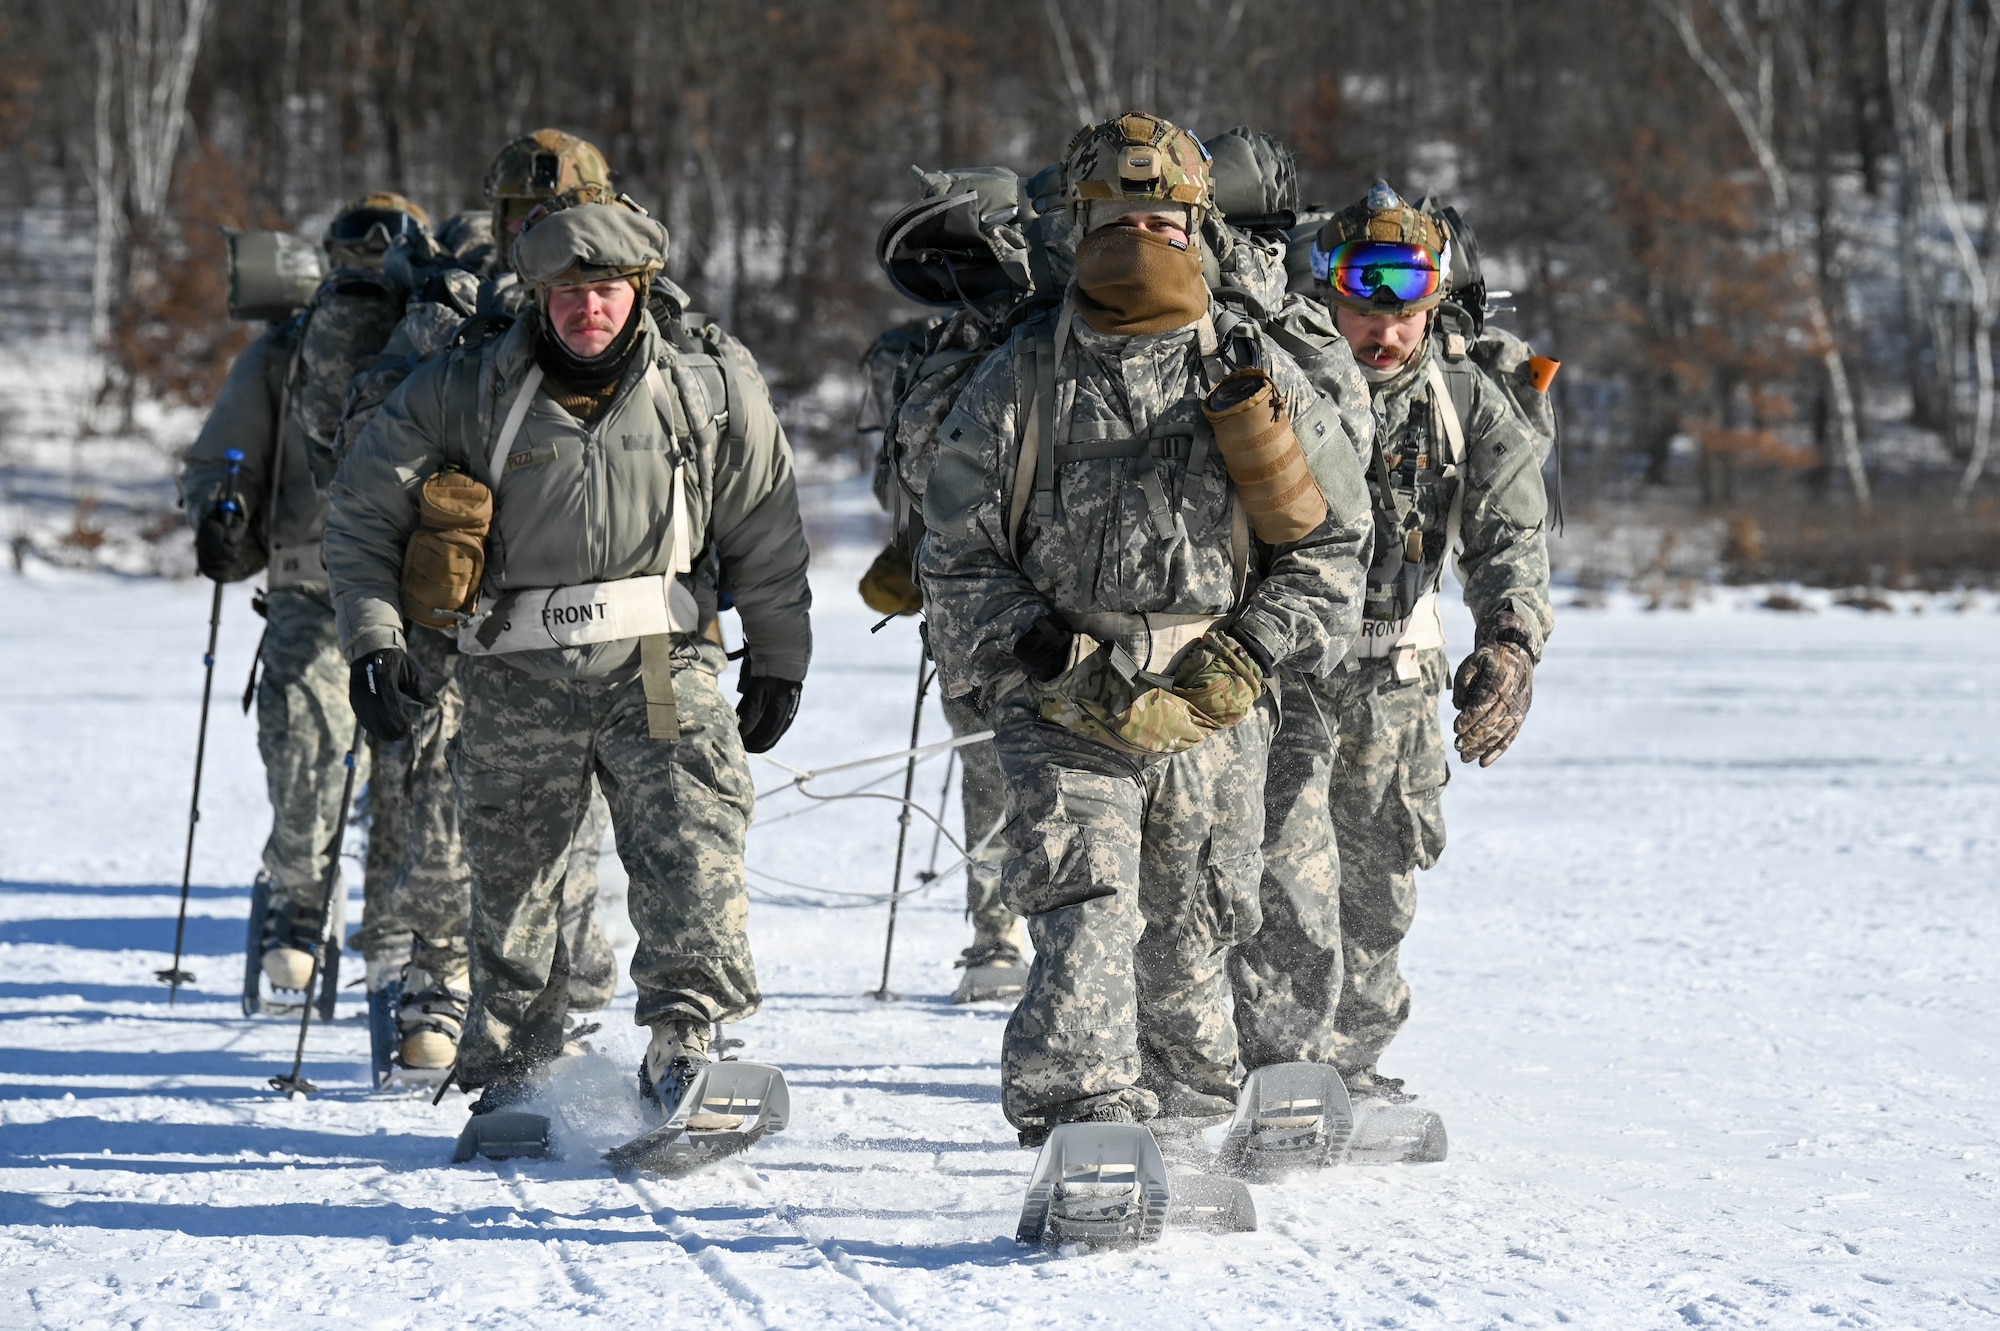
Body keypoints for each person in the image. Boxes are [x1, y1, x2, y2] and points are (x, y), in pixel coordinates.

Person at [918, 112, 1372, 1143]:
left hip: (1211, 702)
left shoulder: (1253, 368)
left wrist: (1246, 656)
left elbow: (1333, 546)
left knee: (1191, 937)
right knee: (1085, 915)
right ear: (1075, 223)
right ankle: (1078, 1125)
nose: (1142, 235)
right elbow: (954, 555)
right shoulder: (1019, 376)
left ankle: (1176, 1131)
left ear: (1198, 223)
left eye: (1163, 216)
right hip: (1063, 699)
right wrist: (1049, 654)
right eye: (1116, 214)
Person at [325, 198, 812, 1116]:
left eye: (608, 291)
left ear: (640, 290)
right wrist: (375, 640)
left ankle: (686, 1042)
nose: (589, 310)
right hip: (514, 673)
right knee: (516, 881)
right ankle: (512, 1075)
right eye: (569, 292)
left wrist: (779, 656)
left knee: (692, 843)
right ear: (539, 296)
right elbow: (361, 514)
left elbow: (767, 528)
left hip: (660, 661)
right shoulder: (463, 388)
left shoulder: (705, 386)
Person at [1230, 182, 1554, 1106]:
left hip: (1399, 683)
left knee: (1379, 893)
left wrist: (1510, 645)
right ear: (1329, 298)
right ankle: (1284, 1070)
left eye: (1406, 313)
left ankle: (1355, 1067)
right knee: (1285, 886)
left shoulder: (1468, 403)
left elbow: (1512, 542)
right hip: (1285, 676)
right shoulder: (1278, 386)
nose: (1386, 332)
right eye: (1366, 309)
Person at [335, 131, 624, 1072]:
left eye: (563, 210)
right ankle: (436, 976)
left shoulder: (624, 306)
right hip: (454, 605)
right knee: (435, 792)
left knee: (569, 814)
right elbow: (361, 447)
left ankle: (558, 996)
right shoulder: (449, 307)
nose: (540, 228)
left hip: (576, 605)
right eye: (521, 216)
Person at [180, 191, 431, 999]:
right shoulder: (283, 355)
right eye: (351, 252)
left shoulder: (436, 344)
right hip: (309, 581)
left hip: (419, 595)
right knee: (302, 742)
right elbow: (222, 456)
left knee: (417, 762)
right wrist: (223, 512)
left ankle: (408, 930)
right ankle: (296, 893)